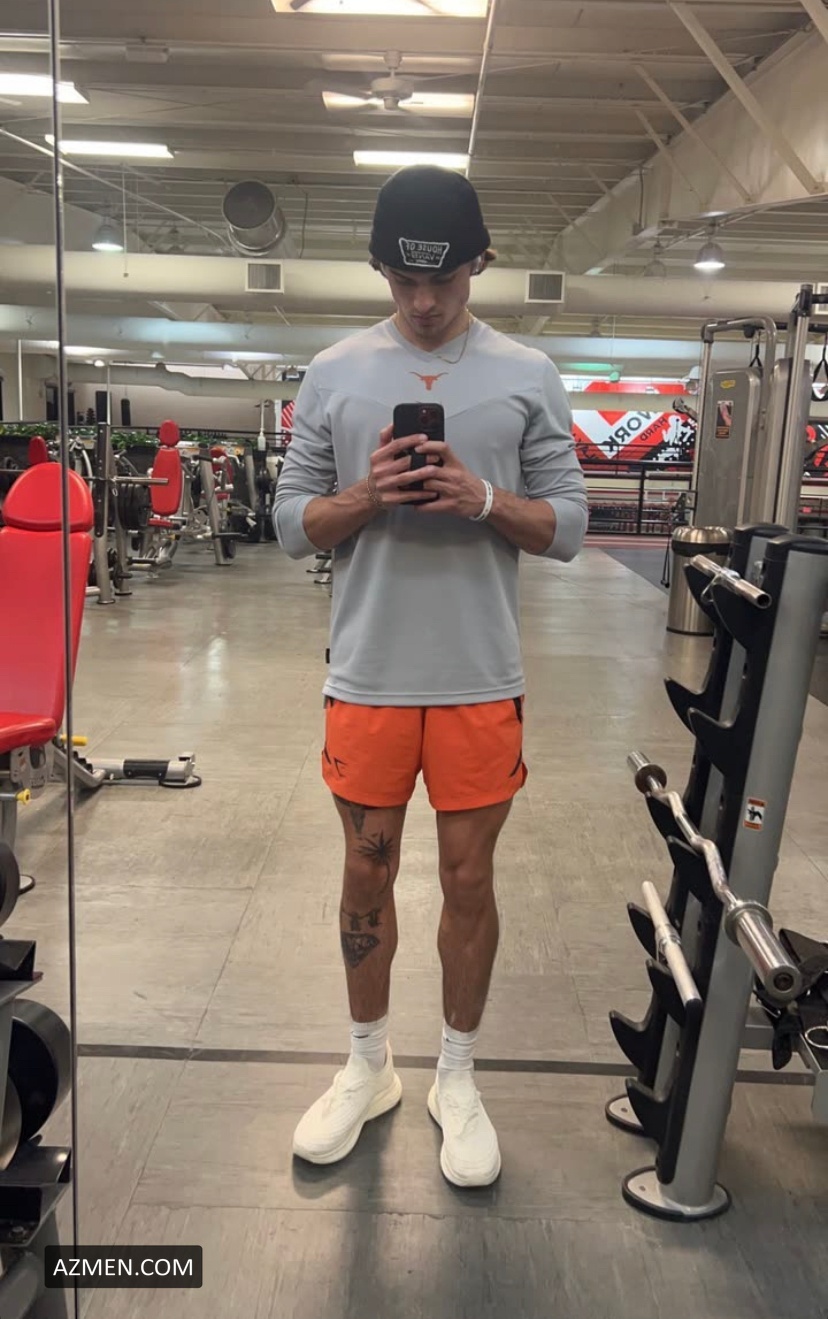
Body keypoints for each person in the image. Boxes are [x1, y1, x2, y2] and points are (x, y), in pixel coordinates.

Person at [273, 165, 588, 1187]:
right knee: (365, 871)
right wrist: (368, 494)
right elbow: (289, 524)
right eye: (403, 281)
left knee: (468, 879)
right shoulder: (334, 371)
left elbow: (570, 525)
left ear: (479, 263)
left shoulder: (527, 372)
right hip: (367, 676)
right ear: (378, 269)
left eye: (443, 280)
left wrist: (483, 498)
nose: (422, 302)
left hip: (478, 678)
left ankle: (458, 1073)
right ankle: (369, 1064)